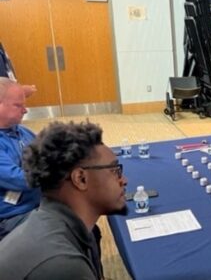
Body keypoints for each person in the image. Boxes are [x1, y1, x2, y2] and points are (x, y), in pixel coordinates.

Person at [0, 121, 128, 279]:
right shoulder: (62, 264)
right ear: (80, 179)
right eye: (115, 171)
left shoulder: (49, 223)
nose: (124, 180)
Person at [0, 80, 39, 240]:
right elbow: (19, 180)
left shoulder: (23, 132)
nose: (25, 110)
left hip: (38, 205)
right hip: (11, 215)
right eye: (18, 105)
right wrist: (57, 172)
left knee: (86, 228)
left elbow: (50, 154)